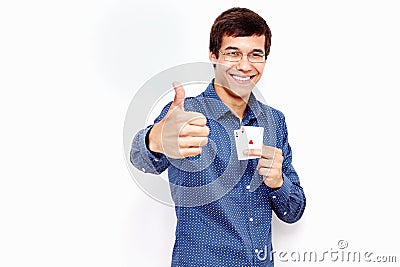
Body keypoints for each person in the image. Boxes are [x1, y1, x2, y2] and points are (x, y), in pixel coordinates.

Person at [130, 7, 306, 267]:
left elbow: (293, 211)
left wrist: (279, 183)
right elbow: (141, 159)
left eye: (255, 54)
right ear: (214, 55)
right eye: (233, 53)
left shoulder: (275, 121)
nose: (245, 65)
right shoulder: (184, 115)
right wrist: (153, 140)